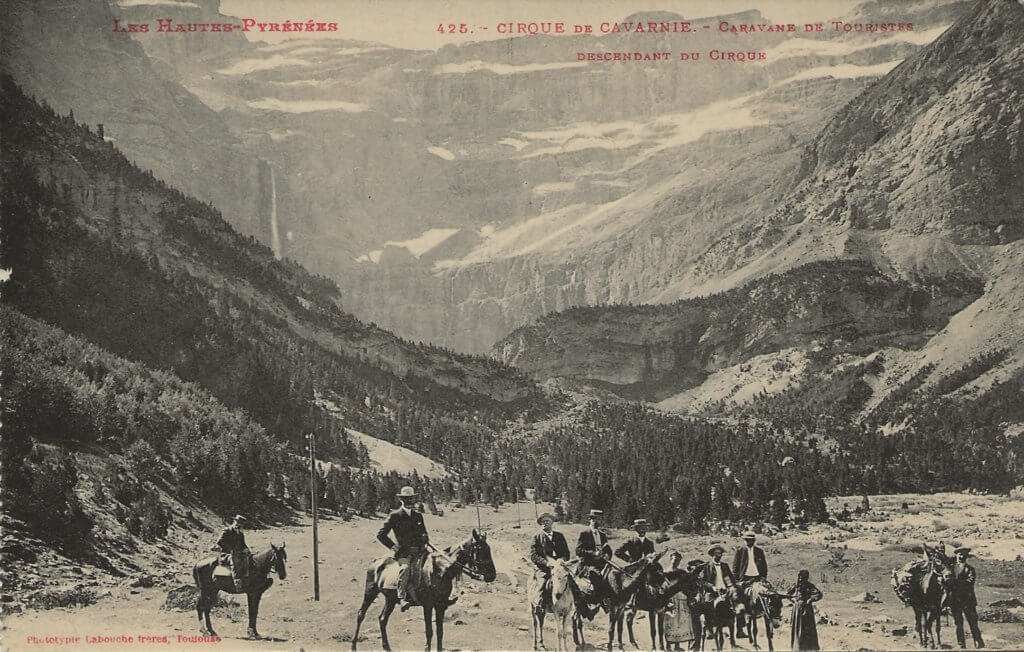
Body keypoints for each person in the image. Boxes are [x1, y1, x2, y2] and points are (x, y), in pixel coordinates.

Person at [377, 486, 447, 610]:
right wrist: (394, 547)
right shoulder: (395, 516)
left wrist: (425, 538)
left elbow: (424, 533)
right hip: (404, 553)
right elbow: (381, 535)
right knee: (406, 569)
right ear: (401, 500)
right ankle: (402, 597)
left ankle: (440, 596)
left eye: (411, 499)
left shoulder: (418, 516)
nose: (409, 502)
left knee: (436, 566)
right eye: (406, 499)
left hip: (421, 551)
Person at [529, 512, 571, 610]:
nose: (544, 523)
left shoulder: (560, 536)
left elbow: (567, 553)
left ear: (552, 523)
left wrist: (562, 559)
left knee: (572, 583)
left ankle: (580, 608)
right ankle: (540, 606)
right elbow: (534, 555)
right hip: (544, 568)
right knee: (542, 583)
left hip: (560, 567)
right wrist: (546, 563)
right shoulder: (537, 537)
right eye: (542, 522)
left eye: (547, 521)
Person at [576, 509, 613, 608]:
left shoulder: (602, 535)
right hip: (587, 565)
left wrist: (607, 555)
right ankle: (598, 602)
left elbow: (608, 550)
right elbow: (578, 550)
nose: (596, 522)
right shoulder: (584, 533)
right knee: (596, 576)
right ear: (590, 520)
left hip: (602, 564)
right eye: (594, 519)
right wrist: (593, 553)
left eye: (599, 519)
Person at [732, 531, 768, 635]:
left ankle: (769, 621)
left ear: (754, 540)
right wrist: (738, 582)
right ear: (744, 540)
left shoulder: (759, 551)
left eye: (751, 540)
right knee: (740, 602)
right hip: (744, 580)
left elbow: (764, 567)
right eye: (747, 540)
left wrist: (763, 578)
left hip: (757, 579)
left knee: (766, 596)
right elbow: (735, 568)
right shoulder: (740, 551)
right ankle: (740, 629)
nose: (749, 541)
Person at [949, 547, 984, 649]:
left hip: (968, 600)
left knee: (973, 622)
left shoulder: (970, 569)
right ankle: (961, 644)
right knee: (958, 623)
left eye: (963, 555)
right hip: (955, 601)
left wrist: (955, 583)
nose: (961, 556)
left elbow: (970, 582)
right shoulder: (950, 568)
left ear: (966, 557)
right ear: (956, 555)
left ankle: (978, 642)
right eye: (959, 554)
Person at [787, 569, 823, 651]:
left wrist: (811, 599)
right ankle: (797, 647)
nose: (800, 580)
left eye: (802, 578)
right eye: (799, 578)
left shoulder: (809, 586)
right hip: (797, 609)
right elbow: (788, 594)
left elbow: (819, 594)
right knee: (797, 627)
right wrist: (793, 601)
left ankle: (808, 647)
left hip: (807, 609)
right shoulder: (795, 585)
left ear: (806, 578)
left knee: (807, 627)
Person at [216, 515, 251, 591]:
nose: (239, 525)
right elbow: (220, 541)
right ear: (234, 522)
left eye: (241, 524)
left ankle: (246, 578)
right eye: (238, 522)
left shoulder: (240, 533)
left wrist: (246, 549)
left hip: (238, 553)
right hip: (226, 554)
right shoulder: (227, 530)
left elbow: (243, 544)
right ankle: (237, 581)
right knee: (235, 559)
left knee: (250, 558)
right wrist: (231, 549)